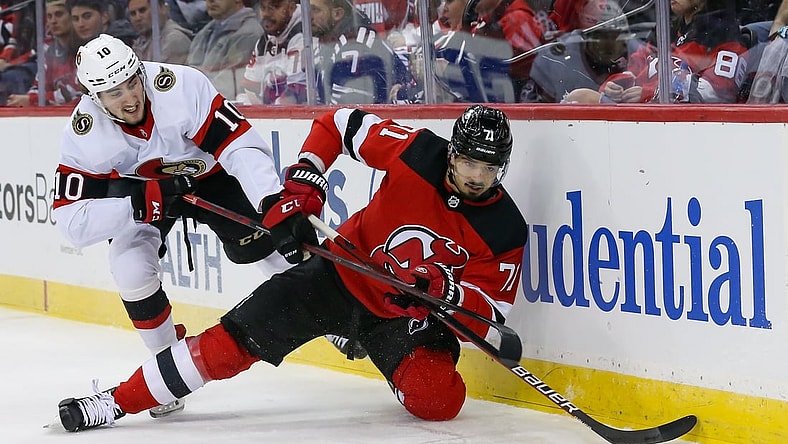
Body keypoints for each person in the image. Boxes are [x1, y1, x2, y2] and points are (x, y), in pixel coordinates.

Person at [55, 104, 529, 432]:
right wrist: (304, 183)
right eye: (467, 160)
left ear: (502, 168)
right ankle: (114, 401)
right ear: (452, 150)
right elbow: (337, 124)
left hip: (409, 321)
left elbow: (489, 320)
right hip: (338, 276)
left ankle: (371, 343)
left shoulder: (506, 229)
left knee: (440, 402)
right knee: (227, 347)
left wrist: (442, 291)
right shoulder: (418, 151)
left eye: (488, 168)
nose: (474, 176)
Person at [52, 33, 291, 417]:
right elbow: (71, 222)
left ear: (140, 70)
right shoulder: (83, 132)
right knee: (130, 270)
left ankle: (327, 316)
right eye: (114, 92)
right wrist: (137, 203)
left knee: (272, 244)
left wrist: (271, 200)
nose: (130, 98)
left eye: (132, 82)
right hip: (142, 193)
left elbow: (239, 145)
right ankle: (165, 369)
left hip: (212, 177)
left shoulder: (180, 85)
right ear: (94, 98)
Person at [565, 0, 747, 104]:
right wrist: (614, 87)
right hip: (643, 117)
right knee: (578, 99)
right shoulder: (665, 29)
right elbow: (634, 69)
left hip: (685, 129)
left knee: (581, 98)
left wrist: (651, 93)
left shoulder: (726, 35)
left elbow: (716, 93)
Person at [523, 0, 642, 103]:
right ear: (586, 37)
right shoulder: (552, 62)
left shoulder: (635, 59)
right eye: (603, 36)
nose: (611, 44)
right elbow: (533, 115)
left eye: (617, 36)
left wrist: (644, 94)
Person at [310, 0, 415, 104]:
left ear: (337, 14)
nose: (309, 16)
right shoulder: (330, 42)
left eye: (315, 10)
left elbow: (349, 111)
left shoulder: (354, 45)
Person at [6, 0, 81, 106]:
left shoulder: (83, 50)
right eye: (49, 16)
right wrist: (26, 99)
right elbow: (37, 87)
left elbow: (76, 91)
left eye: (59, 14)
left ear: (71, 17)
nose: (53, 21)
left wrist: (32, 100)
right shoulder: (49, 52)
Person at [185, 0, 261, 100]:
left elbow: (229, 87)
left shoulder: (249, 33)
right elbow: (189, 72)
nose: (210, 1)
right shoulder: (206, 31)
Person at [237, 0, 305, 105]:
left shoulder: (304, 35)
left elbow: (294, 95)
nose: (267, 14)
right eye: (263, 8)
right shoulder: (264, 41)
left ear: (291, 7)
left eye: (275, 7)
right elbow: (249, 88)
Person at [128, 0, 193, 64]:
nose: (137, 18)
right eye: (133, 13)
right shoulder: (140, 41)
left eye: (142, 10)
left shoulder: (175, 39)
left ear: (164, 9)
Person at [67, 0, 137, 46]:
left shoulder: (121, 43)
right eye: (75, 19)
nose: (80, 24)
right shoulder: (79, 46)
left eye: (87, 16)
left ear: (104, 17)